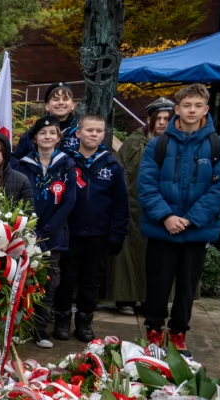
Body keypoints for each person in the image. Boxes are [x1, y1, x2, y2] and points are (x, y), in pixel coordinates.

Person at [138, 83, 220, 357]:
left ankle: (179, 333)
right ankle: (154, 331)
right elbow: (146, 184)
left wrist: (191, 219)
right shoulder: (159, 144)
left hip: (196, 231)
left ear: (205, 109)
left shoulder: (218, 146)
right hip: (162, 229)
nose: (192, 110)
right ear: (177, 109)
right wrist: (166, 216)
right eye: (186, 105)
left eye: (197, 106)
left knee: (187, 287)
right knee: (157, 283)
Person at [53, 113, 130, 343]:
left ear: (104, 135)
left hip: (98, 235)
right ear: (78, 133)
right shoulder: (65, 161)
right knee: (66, 279)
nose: (93, 134)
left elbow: (121, 203)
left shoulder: (112, 165)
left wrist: (117, 234)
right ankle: (62, 319)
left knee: (91, 280)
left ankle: (85, 321)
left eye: (98, 131)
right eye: (89, 130)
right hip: (69, 233)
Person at [108, 97, 174, 314]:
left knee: (157, 257)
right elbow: (120, 170)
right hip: (134, 206)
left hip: (165, 208)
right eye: (159, 118)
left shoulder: (176, 144)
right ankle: (126, 298)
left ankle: (151, 299)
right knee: (129, 255)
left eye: (167, 118)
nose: (162, 123)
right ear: (150, 119)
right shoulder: (134, 142)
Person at [16, 116, 77, 346]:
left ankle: (40, 328)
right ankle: (22, 326)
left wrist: (48, 230)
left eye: (53, 133)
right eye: (43, 133)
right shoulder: (22, 164)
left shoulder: (67, 164)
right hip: (27, 231)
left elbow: (69, 201)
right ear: (34, 138)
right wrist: (30, 228)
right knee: (24, 278)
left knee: (49, 280)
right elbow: (18, 198)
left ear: (59, 138)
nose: (48, 136)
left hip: (54, 235)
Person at [14, 82, 79, 159]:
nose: (61, 103)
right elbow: (18, 164)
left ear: (72, 105)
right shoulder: (31, 135)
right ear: (47, 106)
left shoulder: (81, 133)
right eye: (56, 99)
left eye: (65, 99)